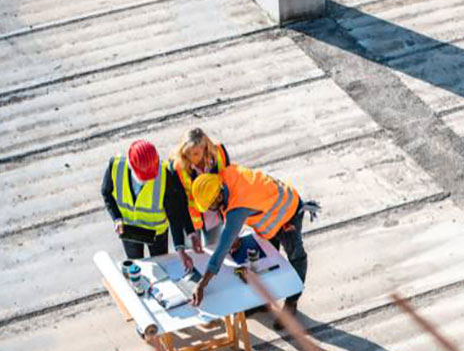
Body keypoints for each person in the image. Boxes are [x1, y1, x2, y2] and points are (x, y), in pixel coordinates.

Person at [189, 164, 313, 329]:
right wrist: (232, 231)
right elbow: (229, 210)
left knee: (296, 256)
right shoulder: (225, 176)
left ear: (218, 197)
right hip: (270, 216)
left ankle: (292, 302)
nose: (209, 210)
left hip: (288, 213)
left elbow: (221, 250)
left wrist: (202, 284)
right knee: (265, 261)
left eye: (209, 206)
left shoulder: (238, 207)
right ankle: (264, 300)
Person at [101, 139, 194, 269]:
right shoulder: (115, 168)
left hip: (157, 234)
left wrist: (180, 249)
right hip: (129, 231)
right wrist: (116, 218)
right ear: (131, 165)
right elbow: (106, 193)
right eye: (144, 177)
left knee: (161, 267)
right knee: (136, 267)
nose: (148, 180)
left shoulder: (164, 175)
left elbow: (174, 215)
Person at [170, 128, 230, 250]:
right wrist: (189, 231)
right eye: (187, 153)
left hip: (214, 217)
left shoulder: (220, 154)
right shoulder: (177, 166)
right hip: (191, 223)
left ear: (205, 148)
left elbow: (229, 183)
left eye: (196, 153)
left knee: (214, 249)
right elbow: (177, 202)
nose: (191, 158)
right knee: (192, 254)